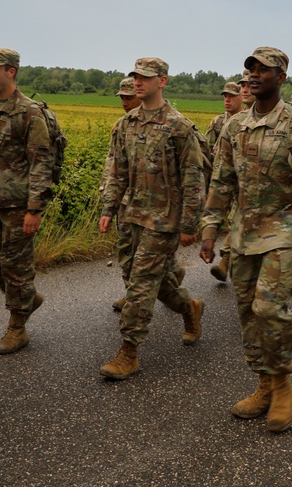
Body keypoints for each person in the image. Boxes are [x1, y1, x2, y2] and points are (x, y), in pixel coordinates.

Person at [200, 47, 292, 433]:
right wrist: (211, 229)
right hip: (245, 234)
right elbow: (222, 182)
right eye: (251, 69)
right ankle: (263, 383)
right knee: (246, 311)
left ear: (281, 78)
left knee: (269, 308)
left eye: (265, 70)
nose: (255, 75)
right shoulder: (234, 127)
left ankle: (282, 385)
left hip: (286, 231)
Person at [97, 57, 206, 380]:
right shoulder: (125, 124)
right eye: (135, 77)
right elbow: (117, 170)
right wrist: (108, 208)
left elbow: (192, 179)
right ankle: (189, 307)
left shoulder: (179, 127)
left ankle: (128, 352)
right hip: (131, 215)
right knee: (138, 278)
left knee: (142, 284)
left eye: (145, 77)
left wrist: (189, 223)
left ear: (163, 81)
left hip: (164, 219)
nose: (138, 82)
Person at [0, 48, 55, 354]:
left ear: (11, 72)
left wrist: (35, 208)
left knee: (16, 266)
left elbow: (41, 162)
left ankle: (17, 328)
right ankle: (27, 299)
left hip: (20, 204)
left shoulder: (30, 112)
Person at [108, 77, 144, 313]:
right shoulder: (121, 126)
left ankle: (170, 284)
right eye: (122, 97)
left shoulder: (166, 123)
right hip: (125, 201)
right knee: (125, 249)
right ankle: (132, 293)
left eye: (128, 97)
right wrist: (108, 199)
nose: (124, 102)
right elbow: (112, 163)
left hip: (153, 204)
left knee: (149, 256)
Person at [204, 82, 243, 283]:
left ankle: (225, 261)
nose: (227, 100)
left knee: (237, 220)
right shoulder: (218, 123)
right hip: (222, 180)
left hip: (243, 182)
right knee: (226, 220)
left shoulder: (247, 122)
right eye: (225, 96)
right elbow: (206, 151)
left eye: (232, 96)